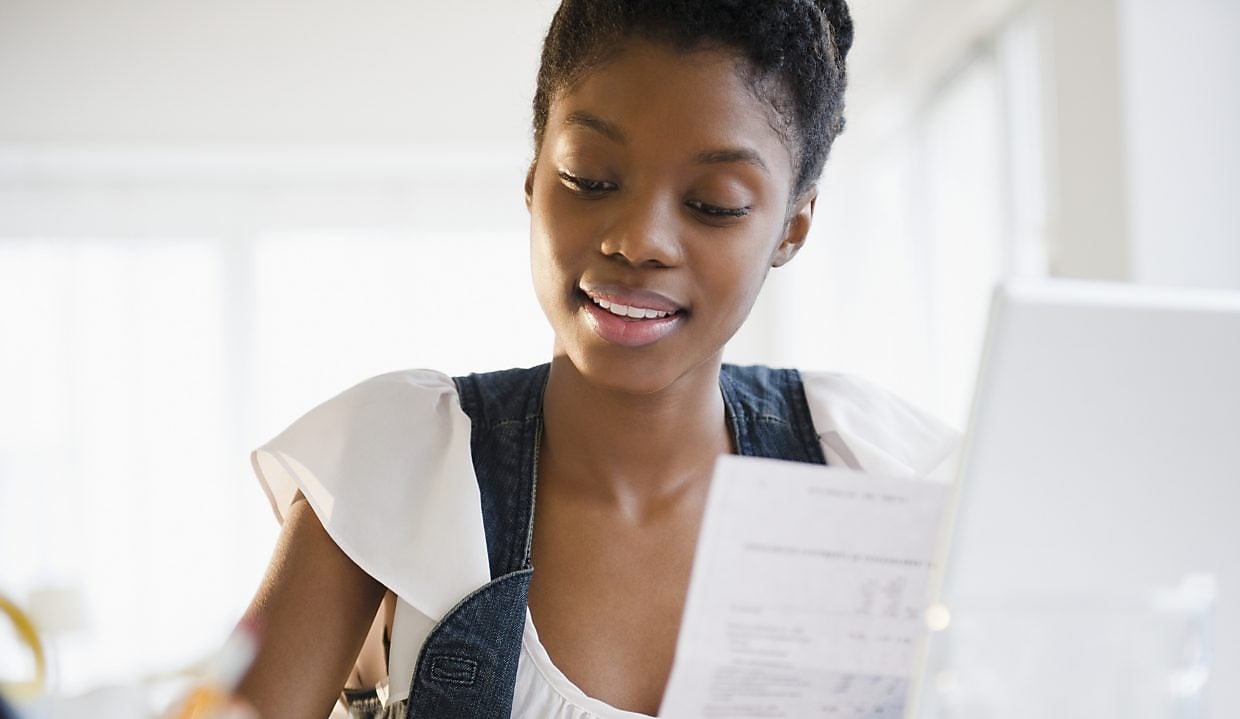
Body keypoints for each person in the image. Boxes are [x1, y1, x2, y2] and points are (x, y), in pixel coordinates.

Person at [234, 1, 957, 718]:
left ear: (792, 228)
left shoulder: (877, 475)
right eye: (589, 178)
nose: (638, 241)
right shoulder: (398, 465)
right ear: (533, 180)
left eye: (714, 203)